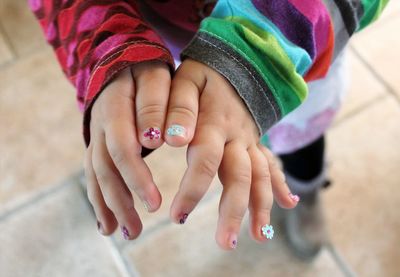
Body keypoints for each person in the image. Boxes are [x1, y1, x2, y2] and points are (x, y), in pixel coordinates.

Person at [30, 0, 389, 259]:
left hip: (295, 57)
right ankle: (124, 165)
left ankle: (304, 191)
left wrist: (256, 53)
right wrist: (106, 44)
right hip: (161, 33)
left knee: (300, 144)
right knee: (141, 122)